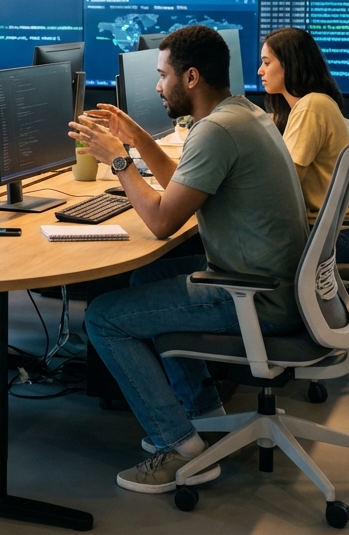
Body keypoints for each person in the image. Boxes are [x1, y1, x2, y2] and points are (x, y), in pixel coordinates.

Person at [69, 25, 308, 495]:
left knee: (103, 318)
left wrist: (119, 163)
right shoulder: (240, 114)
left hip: (256, 296)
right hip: (274, 281)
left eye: (162, 76)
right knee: (147, 276)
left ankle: (178, 446)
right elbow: (183, 180)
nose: (157, 87)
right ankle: (202, 413)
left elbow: (161, 220)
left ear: (192, 77)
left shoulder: (216, 131)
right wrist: (136, 137)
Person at [257, 27, 349, 263]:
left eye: (267, 63)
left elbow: (285, 185)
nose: (260, 71)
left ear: (290, 64)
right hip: (336, 231)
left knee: (231, 245)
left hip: (337, 237)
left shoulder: (311, 107)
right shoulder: (312, 103)